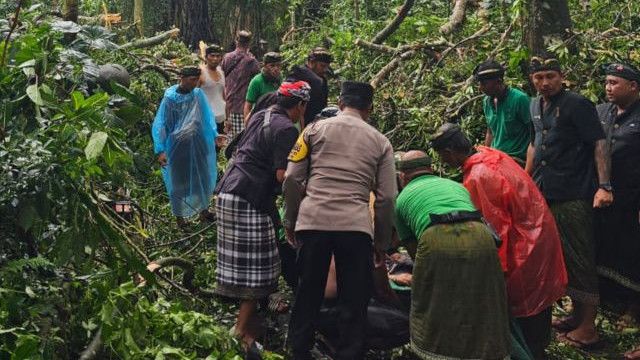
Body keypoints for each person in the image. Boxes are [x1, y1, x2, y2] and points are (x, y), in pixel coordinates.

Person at [431, 123, 567, 359]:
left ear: (450, 152)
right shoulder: (492, 154)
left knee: (523, 308)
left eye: (443, 156)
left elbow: (495, 230)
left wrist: (495, 273)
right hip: (539, 233)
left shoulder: (479, 176)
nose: (443, 162)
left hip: (523, 245)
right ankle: (540, 347)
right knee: (537, 301)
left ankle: (532, 352)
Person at [283, 81, 396, 359]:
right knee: (353, 297)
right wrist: (381, 242)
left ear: (341, 103)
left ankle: (298, 349)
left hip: (313, 222)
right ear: (369, 108)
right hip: (355, 227)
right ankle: (349, 352)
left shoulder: (313, 130)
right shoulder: (380, 141)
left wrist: (291, 220)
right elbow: (386, 198)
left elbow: (292, 179)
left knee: (308, 290)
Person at [213, 81, 310, 356]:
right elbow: (284, 176)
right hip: (248, 196)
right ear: (301, 106)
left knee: (248, 264)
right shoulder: (285, 129)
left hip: (228, 191)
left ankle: (249, 324)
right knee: (259, 269)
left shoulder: (261, 115)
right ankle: (241, 331)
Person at [525, 56, 613, 350]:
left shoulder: (577, 104)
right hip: (546, 191)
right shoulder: (534, 104)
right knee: (561, 257)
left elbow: (599, 143)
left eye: (550, 76)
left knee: (580, 257)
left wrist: (604, 186)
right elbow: (534, 143)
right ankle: (576, 316)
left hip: (574, 193)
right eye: (539, 77)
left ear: (561, 77)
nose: (545, 83)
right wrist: (526, 180)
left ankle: (588, 327)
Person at [393, 150, 510, 360]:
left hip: (436, 236)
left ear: (403, 176)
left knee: (432, 298)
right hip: (481, 235)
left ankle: (436, 353)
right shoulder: (455, 186)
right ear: (430, 169)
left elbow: (415, 251)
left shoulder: (401, 200)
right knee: (483, 296)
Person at [594, 62, 640, 357]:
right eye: (607, 82)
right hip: (605, 195)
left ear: (633, 86)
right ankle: (611, 301)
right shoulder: (601, 112)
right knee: (606, 248)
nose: (609, 87)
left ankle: (635, 308)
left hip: (633, 197)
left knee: (634, 251)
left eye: (615, 83)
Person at [151, 66, 219, 228]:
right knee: (179, 182)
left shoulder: (197, 95)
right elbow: (162, 124)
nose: (195, 83)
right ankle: (180, 218)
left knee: (202, 176)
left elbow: (207, 117)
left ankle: (204, 211)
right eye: (192, 80)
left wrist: (215, 135)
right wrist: (160, 150)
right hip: (178, 147)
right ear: (181, 77)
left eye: (197, 79)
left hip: (198, 143)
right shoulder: (170, 98)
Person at [473, 60, 532, 164]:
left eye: (484, 84)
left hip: (516, 159)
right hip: (495, 158)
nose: (480, 88)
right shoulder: (487, 101)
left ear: (498, 81)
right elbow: (490, 131)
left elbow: (534, 134)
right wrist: (485, 153)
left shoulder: (519, 99)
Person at [221, 30, 260, 138]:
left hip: (227, 106)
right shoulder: (251, 61)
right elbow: (259, 78)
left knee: (229, 142)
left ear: (236, 41)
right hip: (243, 108)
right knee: (242, 140)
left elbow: (222, 77)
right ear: (249, 43)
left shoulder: (226, 57)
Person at [287, 47, 332, 127]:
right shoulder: (297, 76)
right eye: (322, 66)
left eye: (326, 67)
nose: (325, 70)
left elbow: (323, 104)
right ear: (311, 63)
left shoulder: (322, 80)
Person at [243, 52, 283, 122]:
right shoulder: (257, 81)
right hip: (260, 120)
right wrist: (248, 124)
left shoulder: (280, 78)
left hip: (276, 119)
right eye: (272, 66)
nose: (276, 68)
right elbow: (248, 105)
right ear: (264, 66)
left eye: (278, 65)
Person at [199, 44, 226, 134]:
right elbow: (194, 96)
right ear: (206, 57)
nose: (215, 59)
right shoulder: (201, 73)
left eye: (218, 56)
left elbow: (223, 95)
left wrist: (228, 116)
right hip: (206, 119)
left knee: (218, 146)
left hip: (221, 117)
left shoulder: (221, 72)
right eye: (212, 56)